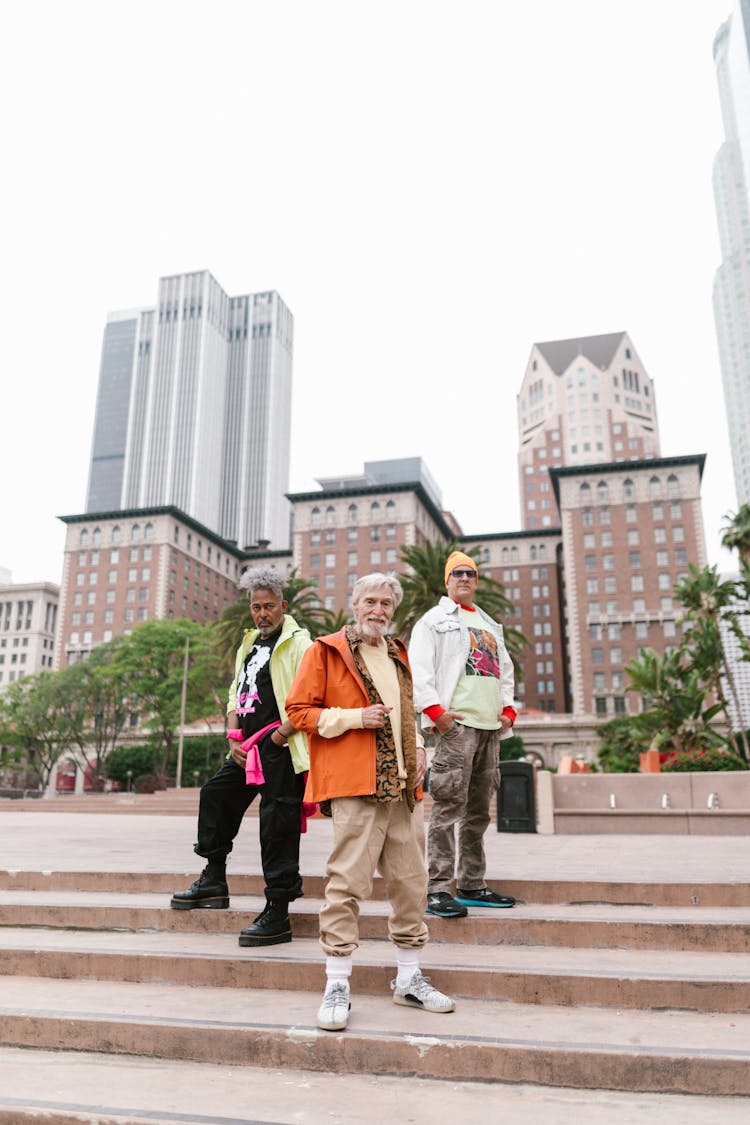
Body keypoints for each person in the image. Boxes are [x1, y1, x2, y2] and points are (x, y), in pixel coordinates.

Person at [285, 573, 455, 1032]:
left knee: (411, 883)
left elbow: (406, 711)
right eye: (369, 601)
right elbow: (298, 712)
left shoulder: (398, 654)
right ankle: (336, 983)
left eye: (386, 603)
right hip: (355, 785)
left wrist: (419, 745)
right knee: (347, 883)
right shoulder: (325, 650)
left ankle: (409, 979)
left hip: (402, 789)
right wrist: (354, 718)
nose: (378, 609)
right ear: (354, 604)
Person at [170, 567, 311, 947]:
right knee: (215, 795)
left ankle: (278, 912)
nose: (262, 614)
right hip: (244, 748)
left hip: (279, 748)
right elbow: (237, 691)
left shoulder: (299, 643)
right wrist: (233, 732)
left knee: (276, 824)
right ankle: (214, 880)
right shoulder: (248, 643)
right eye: (255, 607)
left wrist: (281, 736)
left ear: (283, 605)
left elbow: (311, 695)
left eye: (268, 606)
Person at [408, 550, 517, 919]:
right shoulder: (433, 621)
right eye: (457, 573)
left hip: (489, 728)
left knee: (478, 813)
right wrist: (438, 716)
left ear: (476, 579)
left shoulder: (488, 624)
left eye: (470, 573)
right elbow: (418, 670)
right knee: (447, 808)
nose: (465, 578)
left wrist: (509, 710)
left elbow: (504, 670)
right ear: (447, 580)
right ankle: (438, 889)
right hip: (457, 728)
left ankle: (472, 884)